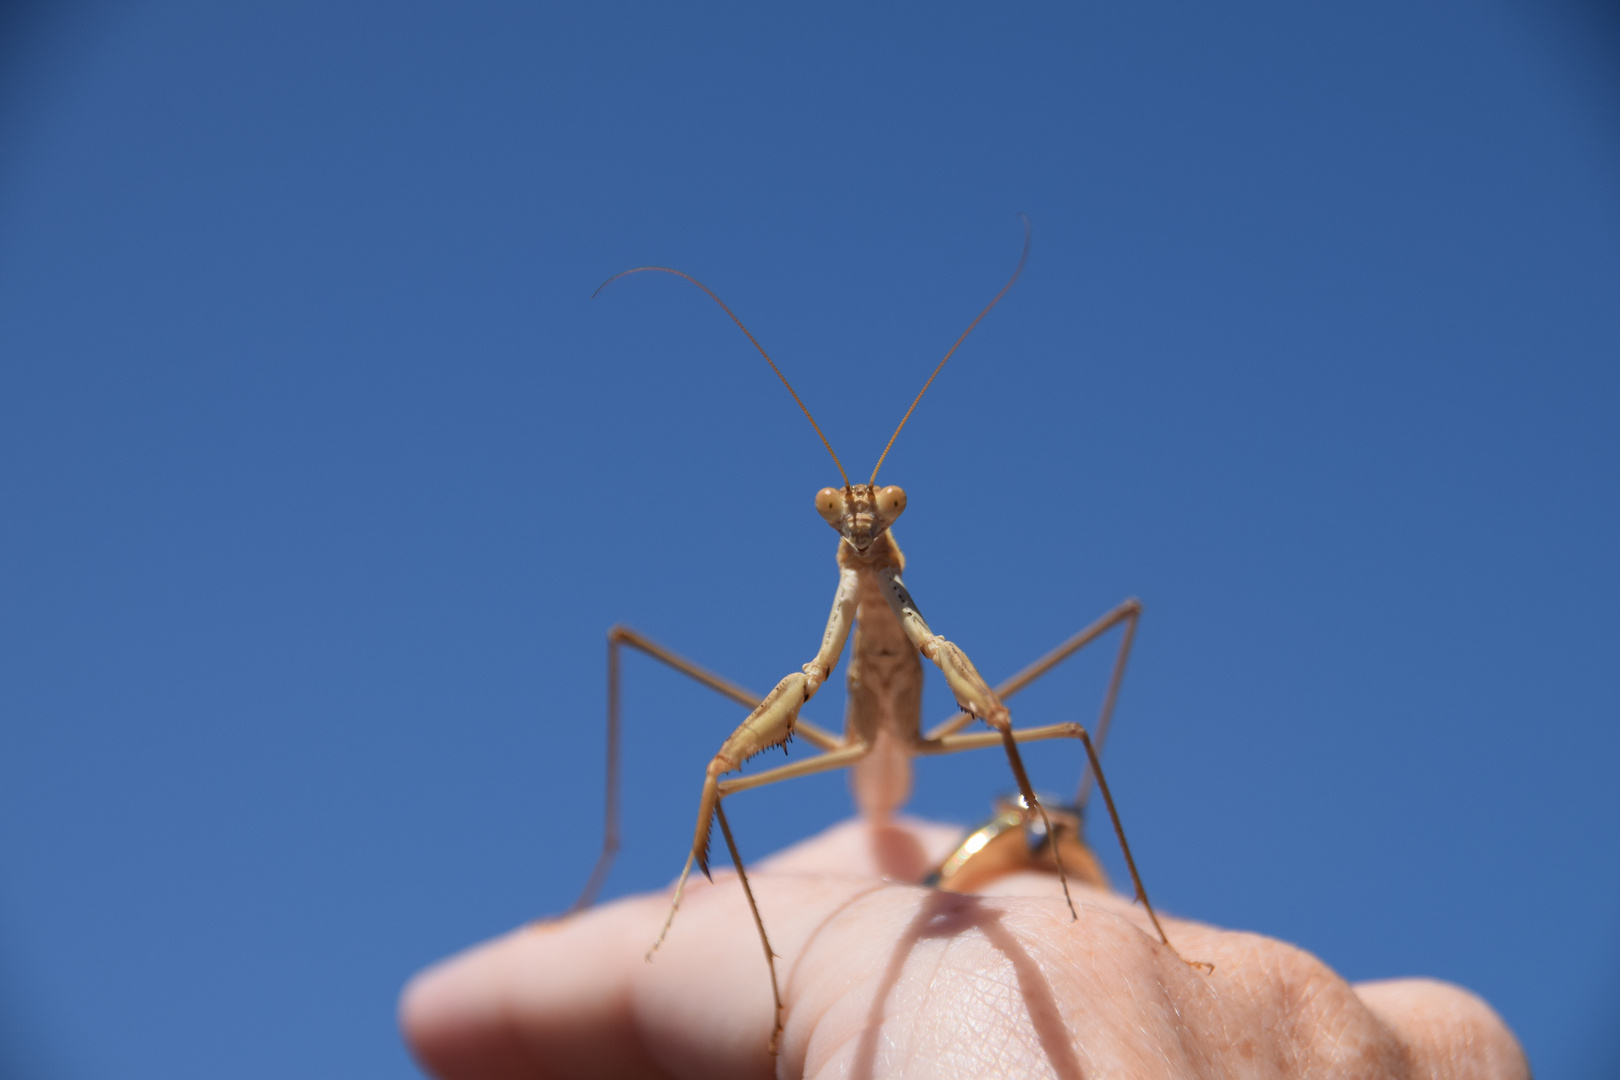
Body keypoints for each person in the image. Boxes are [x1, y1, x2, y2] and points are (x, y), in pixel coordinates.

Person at [400, 816, 1530, 1079]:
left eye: (877, 511)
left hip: (943, 783)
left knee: (1060, 709)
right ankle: (615, 865)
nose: (859, 527)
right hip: (866, 750)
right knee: (711, 764)